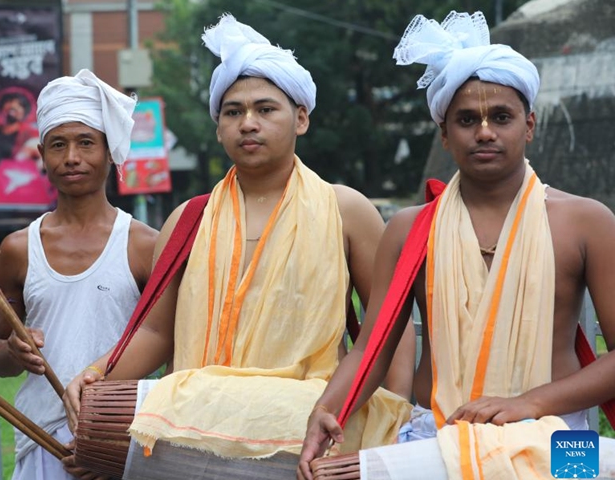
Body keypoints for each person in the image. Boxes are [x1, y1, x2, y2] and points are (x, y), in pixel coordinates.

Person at [64, 14, 415, 463]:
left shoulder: (345, 209)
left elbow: (389, 324)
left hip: (305, 429)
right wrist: (98, 373)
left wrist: (391, 408)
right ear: (218, 127)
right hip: (201, 431)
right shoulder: (189, 218)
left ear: (301, 118)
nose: (248, 122)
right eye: (233, 112)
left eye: (265, 109)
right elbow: (155, 329)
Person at [298, 11, 615, 480]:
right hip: (436, 436)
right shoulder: (409, 229)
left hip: (554, 435)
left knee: (599, 467)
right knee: (335, 473)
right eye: (467, 120)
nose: (484, 131)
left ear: (529, 126)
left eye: (501, 117)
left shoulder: (585, 221)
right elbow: (373, 346)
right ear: (445, 135)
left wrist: (527, 404)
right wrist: (329, 407)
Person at [0, 69, 158, 480]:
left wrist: (123, 448)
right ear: (42, 154)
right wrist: (13, 350)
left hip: (123, 439)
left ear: (110, 151)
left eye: (86, 143)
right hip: (40, 437)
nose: (72, 158)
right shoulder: (18, 249)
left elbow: (171, 351)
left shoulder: (144, 245)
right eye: (58, 145)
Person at [0, 88, 40, 191]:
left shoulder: (31, 134)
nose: (13, 106)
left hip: (21, 188)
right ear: (1, 107)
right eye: (9, 102)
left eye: (19, 105)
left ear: (25, 112)